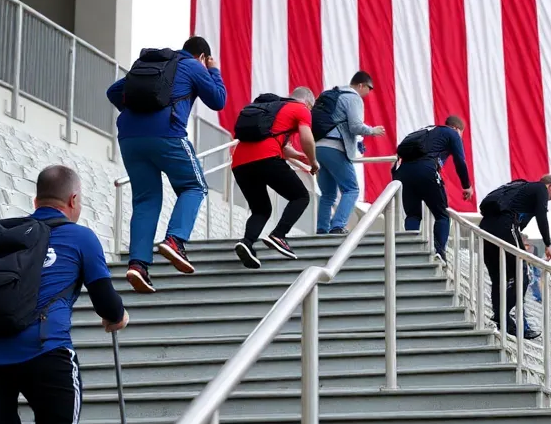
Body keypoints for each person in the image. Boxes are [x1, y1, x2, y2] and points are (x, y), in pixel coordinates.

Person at [0, 165, 128, 424]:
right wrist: (119, 317)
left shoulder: (0, 233)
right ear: (74, 200)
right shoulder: (80, 237)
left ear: (36, 201)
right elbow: (107, 303)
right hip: (43, 348)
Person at [107, 36, 227, 293]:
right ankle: (175, 240)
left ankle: (138, 265)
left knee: (146, 199)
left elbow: (113, 92)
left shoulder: (150, 65)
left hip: (129, 138)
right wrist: (213, 70)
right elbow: (218, 100)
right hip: (168, 134)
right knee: (195, 186)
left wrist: (138, 117)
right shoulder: (195, 66)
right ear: (202, 56)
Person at [230, 87, 320, 267]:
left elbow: (282, 147)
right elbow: (307, 139)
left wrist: (298, 156)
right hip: (267, 158)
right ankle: (279, 235)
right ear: (308, 103)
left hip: (240, 163)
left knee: (261, 209)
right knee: (300, 196)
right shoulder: (301, 110)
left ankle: (246, 242)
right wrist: (313, 161)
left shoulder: (274, 109)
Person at [478, 175, 551, 338]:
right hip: (504, 223)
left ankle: (505, 321)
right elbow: (541, 216)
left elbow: (521, 225)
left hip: (485, 227)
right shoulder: (540, 188)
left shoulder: (518, 190)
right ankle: (500, 316)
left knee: (499, 278)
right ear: (550, 186)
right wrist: (548, 245)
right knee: (523, 274)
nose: (549, 199)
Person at [314, 71, 386, 234]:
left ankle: (322, 228)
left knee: (328, 194)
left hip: (318, 147)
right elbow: (355, 126)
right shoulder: (353, 97)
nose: (366, 95)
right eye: (367, 90)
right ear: (361, 85)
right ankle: (337, 225)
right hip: (335, 147)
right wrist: (372, 130)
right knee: (351, 189)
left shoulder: (333, 94)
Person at [392, 115, 472, 259]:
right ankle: (439, 251)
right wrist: (467, 186)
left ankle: (411, 250)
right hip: (427, 169)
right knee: (442, 214)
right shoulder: (452, 133)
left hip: (404, 172)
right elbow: (460, 161)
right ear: (456, 128)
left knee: (413, 214)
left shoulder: (424, 131)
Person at [521, 234, 544, 303]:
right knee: (532, 281)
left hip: (532, 264)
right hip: (528, 264)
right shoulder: (528, 245)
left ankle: (537, 297)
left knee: (534, 281)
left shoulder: (530, 246)